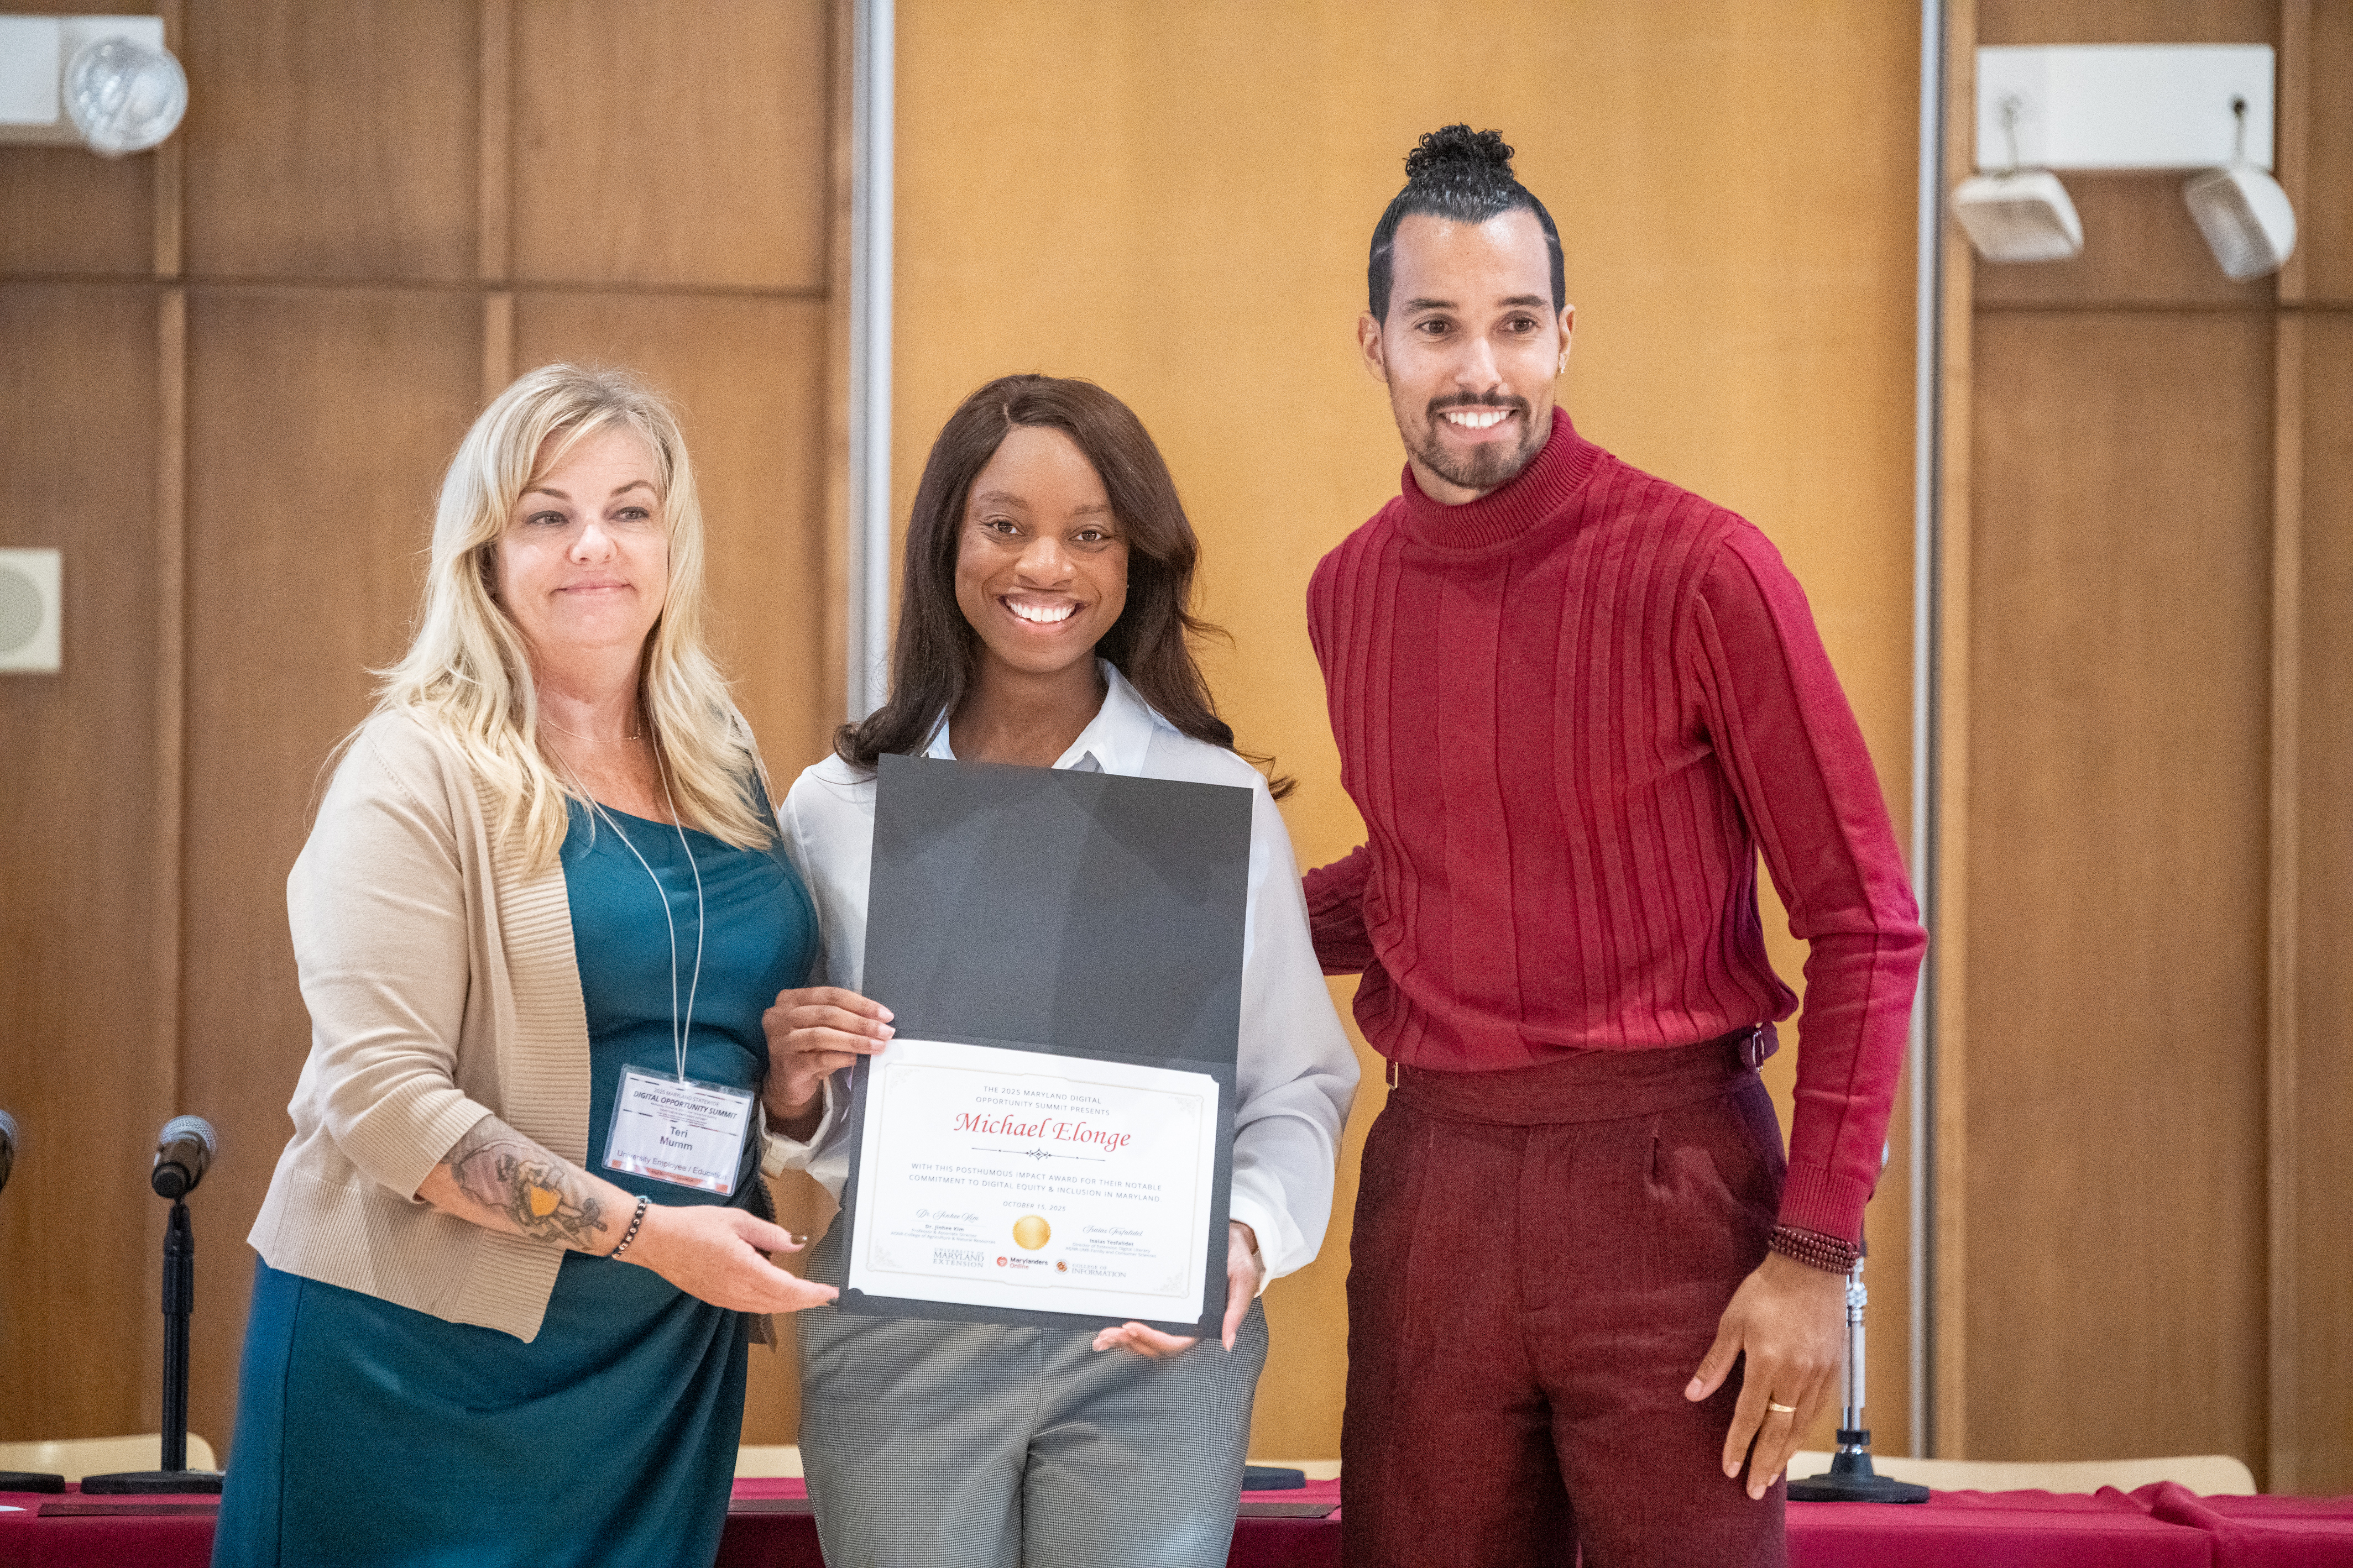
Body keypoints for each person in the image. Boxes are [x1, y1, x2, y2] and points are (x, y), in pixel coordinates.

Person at [1307, 127, 1927, 1567]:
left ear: (1565, 336)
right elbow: (1423, 871)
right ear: (1375, 340)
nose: (1479, 368)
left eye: (1515, 325)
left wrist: (1815, 1248)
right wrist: (1213, 901)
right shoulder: (1348, 591)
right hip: (1433, 1193)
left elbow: (1866, 921)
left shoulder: (1707, 570)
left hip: (1676, 1203)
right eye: (1438, 325)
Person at [213, 365, 836, 1568]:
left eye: (630, 509)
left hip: (655, 1354)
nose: (593, 545)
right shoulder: (413, 767)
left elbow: (715, 1031)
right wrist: (648, 1233)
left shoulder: (719, 752)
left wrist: (794, 1091)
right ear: (485, 552)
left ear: (674, 539)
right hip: (421, 1359)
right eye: (547, 514)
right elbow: (382, 1103)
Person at [760, 374, 1358, 1568]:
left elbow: (1294, 1087)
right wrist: (791, 1091)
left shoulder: (1211, 803)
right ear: (948, 542)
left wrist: (1238, 1239)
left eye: (1090, 535)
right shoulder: (836, 809)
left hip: (1148, 1340)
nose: (1046, 566)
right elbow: (809, 1124)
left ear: (1134, 561)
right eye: (1006, 526)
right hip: (902, 1331)